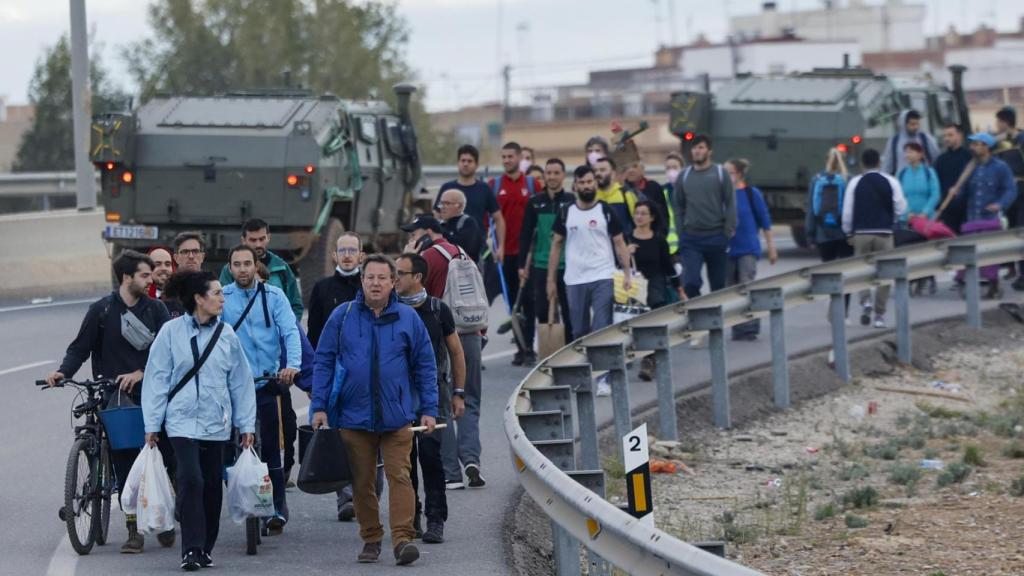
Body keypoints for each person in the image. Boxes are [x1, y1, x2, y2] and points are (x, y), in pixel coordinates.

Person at [311, 254, 437, 567]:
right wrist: (319, 407)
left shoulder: (408, 318)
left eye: (382, 278)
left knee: (400, 476)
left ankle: (403, 539)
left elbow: (425, 365)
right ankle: (371, 537)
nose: (376, 283)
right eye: (370, 278)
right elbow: (324, 360)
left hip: (397, 417)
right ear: (362, 281)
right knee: (362, 483)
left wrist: (429, 408)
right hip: (353, 417)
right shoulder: (343, 316)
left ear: (394, 282)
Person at [45, 250, 174, 554]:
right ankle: (134, 530)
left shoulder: (156, 310)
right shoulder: (101, 310)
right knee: (125, 462)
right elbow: (80, 348)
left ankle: (166, 516)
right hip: (114, 398)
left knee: (166, 460)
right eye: (144, 274)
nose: (150, 278)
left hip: (152, 395)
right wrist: (62, 372)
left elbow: (170, 353)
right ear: (127, 278)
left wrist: (141, 372)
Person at [142, 269, 257, 571]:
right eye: (217, 293)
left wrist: (246, 425)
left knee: (210, 487)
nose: (222, 298)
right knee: (190, 478)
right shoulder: (171, 332)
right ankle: (190, 549)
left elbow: (241, 381)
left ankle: (205, 548)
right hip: (180, 421)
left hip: (216, 422)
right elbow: (157, 378)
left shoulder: (227, 334)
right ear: (198, 298)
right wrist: (152, 424)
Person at [221, 245, 300, 534]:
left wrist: (291, 365)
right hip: (233, 385)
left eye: (247, 264)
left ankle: (276, 509)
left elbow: (290, 331)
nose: (242, 269)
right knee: (231, 448)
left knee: (270, 450)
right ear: (230, 268)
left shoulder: (274, 296)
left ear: (257, 266)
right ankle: (242, 498)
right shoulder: (222, 298)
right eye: (236, 264)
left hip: (267, 382)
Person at [395, 253, 467, 543]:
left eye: (401, 273)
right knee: (403, 459)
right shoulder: (390, 308)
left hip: (432, 393)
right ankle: (410, 516)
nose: (395, 278)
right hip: (398, 395)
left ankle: (435, 519)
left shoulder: (438, 310)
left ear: (417, 278)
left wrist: (459, 393)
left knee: (430, 456)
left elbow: (457, 352)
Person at [548, 165, 632, 396]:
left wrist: (626, 272)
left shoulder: (606, 211)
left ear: (595, 183)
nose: (586, 186)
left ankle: (603, 378)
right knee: (579, 330)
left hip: (603, 275)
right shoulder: (566, 212)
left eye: (589, 182)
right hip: (574, 279)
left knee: (601, 328)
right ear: (575, 186)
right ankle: (583, 375)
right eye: (582, 183)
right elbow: (555, 246)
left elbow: (619, 243)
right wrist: (551, 280)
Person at [842, 148, 908, 328]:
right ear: (879, 163)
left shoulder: (855, 182)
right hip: (884, 233)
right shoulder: (891, 181)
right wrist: (890, 219)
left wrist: (848, 232)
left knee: (860, 270)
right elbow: (901, 207)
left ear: (862, 164)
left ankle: (865, 301)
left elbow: (847, 211)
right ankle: (879, 314)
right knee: (885, 273)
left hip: (862, 233)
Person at [949, 133, 1018, 298]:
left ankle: (993, 285)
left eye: (976, 144)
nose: (973, 147)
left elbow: (1010, 189)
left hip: (990, 220)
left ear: (986, 146)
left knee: (989, 256)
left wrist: (1000, 204)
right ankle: (969, 285)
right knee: (971, 254)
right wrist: (955, 192)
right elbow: (964, 191)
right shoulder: (971, 167)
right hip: (973, 218)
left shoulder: (1000, 167)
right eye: (972, 144)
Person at [488, 141, 539, 362]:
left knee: (529, 300)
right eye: (504, 157)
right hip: (505, 253)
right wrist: (492, 245)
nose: (507, 160)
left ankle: (529, 346)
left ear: (519, 158)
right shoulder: (494, 184)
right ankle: (521, 347)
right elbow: (488, 218)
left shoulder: (532, 183)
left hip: (528, 254)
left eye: (511, 156)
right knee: (513, 303)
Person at [519, 158, 575, 345]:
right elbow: (526, 234)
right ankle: (549, 351)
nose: (552, 177)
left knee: (569, 312)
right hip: (541, 265)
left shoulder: (571, 201)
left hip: (567, 265)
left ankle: (570, 351)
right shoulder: (535, 202)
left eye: (556, 173)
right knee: (542, 311)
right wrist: (522, 265)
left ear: (563, 176)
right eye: (548, 173)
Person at [673, 134, 737, 299]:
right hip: (691, 239)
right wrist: (681, 233)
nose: (697, 151)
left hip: (716, 237)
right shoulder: (684, 175)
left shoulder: (720, 173)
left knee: (718, 287)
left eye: (701, 147)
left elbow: (730, 202)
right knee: (690, 283)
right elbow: (678, 206)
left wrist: (727, 231)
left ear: (709, 151)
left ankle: (715, 323)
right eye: (694, 148)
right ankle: (698, 313)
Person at [628, 201, 683, 382]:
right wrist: (625, 254)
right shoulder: (628, 238)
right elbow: (618, 266)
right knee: (638, 323)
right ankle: (644, 355)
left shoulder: (659, 240)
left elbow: (668, 267)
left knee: (651, 321)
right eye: (637, 213)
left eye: (643, 213)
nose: (639, 217)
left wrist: (679, 289)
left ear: (651, 217)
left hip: (655, 286)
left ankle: (648, 360)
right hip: (635, 287)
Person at [724, 159, 777, 340]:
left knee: (746, 284)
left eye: (729, 172)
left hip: (748, 248)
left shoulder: (751, 194)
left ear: (738, 174)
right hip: (727, 249)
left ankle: (750, 327)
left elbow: (765, 221)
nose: (725, 176)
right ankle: (737, 326)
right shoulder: (721, 196)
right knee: (730, 289)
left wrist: (771, 247)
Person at [806, 147, 854, 329]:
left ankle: (831, 303)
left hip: (823, 233)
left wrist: (810, 234)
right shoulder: (848, 179)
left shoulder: (817, 179)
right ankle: (843, 312)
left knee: (829, 271)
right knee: (845, 272)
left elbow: (811, 209)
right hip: (844, 233)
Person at [218, 218, 303, 319]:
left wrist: (286, 329)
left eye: (262, 239)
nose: (258, 244)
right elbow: (223, 303)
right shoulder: (230, 270)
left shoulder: (282, 268)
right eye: (253, 240)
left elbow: (295, 305)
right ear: (243, 240)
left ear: (268, 238)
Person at [434, 144, 506, 252]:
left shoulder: (484, 189)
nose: (466, 164)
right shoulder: (447, 188)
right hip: (450, 248)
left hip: (477, 248)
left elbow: (498, 218)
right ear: (458, 163)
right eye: (463, 161)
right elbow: (436, 215)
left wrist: (501, 247)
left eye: (469, 161)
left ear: (476, 164)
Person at [307, 232, 364, 348]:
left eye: (352, 251)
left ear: (361, 256)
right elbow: (314, 332)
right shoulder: (321, 288)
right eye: (342, 251)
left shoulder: (369, 287)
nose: (347, 255)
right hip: (331, 358)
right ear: (334, 256)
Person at [401, 214, 460, 298]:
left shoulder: (428, 255)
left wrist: (408, 258)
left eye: (413, 235)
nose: (411, 240)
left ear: (427, 234)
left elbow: (405, 288)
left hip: (436, 308)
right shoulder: (458, 250)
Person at [933, 123, 972, 233]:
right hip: (947, 209)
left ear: (960, 136)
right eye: (945, 136)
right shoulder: (941, 160)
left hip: (967, 209)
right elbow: (937, 184)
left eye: (950, 135)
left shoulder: (969, 157)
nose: (946, 139)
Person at [883, 109, 941, 175]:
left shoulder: (926, 139)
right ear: (904, 124)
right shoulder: (894, 141)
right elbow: (887, 165)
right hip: (901, 181)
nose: (916, 127)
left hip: (923, 181)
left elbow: (937, 160)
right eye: (912, 124)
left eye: (917, 124)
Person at [437, 188, 485, 262]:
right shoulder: (440, 224)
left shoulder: (467, 222)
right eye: (441, 203)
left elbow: (464, 248)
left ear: (460, 206)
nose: (442, 207)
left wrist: (440, 232)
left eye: (447, 203)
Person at [594, 156, 637, 237]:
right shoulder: (591, 197)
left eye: (602, 170)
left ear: (613, 173)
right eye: (595, 171)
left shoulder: (625, 194)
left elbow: (637, 223)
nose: (598, 173)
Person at [624, 160, 668, 229]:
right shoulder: (621, 190)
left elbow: (663, 214)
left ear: (642, 169)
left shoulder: (654, 187)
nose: (630, 170)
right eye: (626, 168)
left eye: (634, 166)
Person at [148, 246, 186, 318]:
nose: (164, 268)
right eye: (157, 264)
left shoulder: (182, 297)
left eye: (168, 264)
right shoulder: (138, 297)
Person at [661, 152, 684, 259]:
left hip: (688, 246)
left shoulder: (690, 189)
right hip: (669, 248)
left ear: (682, 169)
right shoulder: (662, 191)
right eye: (668, 168)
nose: (671, 171)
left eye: (675, 167)